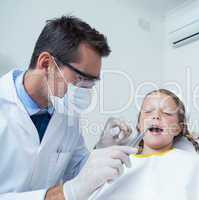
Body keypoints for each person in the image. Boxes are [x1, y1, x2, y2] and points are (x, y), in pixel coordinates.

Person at [0, 15, 135, 200]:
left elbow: (77, 171)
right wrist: (65, 193)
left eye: (91, 82)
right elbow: (74, 188)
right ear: (46, 64)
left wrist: (102, 148)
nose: (86, 90)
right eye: (81, 78)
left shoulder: (67, 111)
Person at [91, 89, 199, 200]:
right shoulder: (115, 165)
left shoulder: (197, 165)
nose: (155, 116)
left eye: (167, 113)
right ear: (139, 124)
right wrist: (100, 150)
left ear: (179, 128)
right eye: (148, 111)